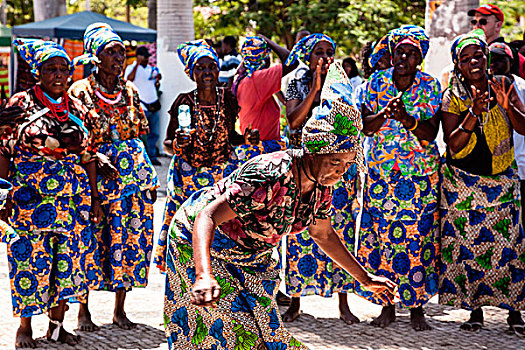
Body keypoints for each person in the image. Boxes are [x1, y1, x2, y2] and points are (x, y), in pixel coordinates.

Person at [162, 64, 397, 349]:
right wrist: (204, 274)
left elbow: (322, 234)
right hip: (202, 240)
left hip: (252, 254)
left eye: (347, 164)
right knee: (227, 330)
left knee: (268, 334)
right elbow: (207, 215)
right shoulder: (270, 173)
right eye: (335, 162)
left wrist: (365, 278)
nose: (340, 172)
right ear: (312, 151)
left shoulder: (321, 186)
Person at [0, 38, 103, 347]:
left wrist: (96, 199)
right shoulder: (21, 104)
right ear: (38, 72)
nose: (59, 75)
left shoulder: (79, 108)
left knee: (67, 265)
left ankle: (56, 326)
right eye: (51, 69)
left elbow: (89, 156)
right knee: (29, 264)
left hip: (73, 202)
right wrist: (2, 194)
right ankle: (24, 328)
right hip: (28, 202)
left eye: (64, 69)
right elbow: (3, 150)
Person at [70, 22, 159, 330]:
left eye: (122, 51)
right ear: (96, 56)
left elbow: (142, 138)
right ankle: (84, 311)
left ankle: (120, 309)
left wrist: (149, 180)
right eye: (112, 51)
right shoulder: (79, 92)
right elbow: (75, 142)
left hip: (134, 185)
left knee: (131, 241)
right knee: (92, 242)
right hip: (95, 181)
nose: (119, 58)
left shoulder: (131, 91)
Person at [439, 29, 525, 336]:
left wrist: (506, 106)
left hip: (502, 180)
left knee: (510, 247)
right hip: (463, 184)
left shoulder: (504, 83)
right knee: (470, 249)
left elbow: (523, 127)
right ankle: (475, 311)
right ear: (457, 64)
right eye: (466, 59)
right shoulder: (451, 96)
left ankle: (515, 314)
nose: (474, 62)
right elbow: (454, 144)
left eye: (479, 56)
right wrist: (473, 113)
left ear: (487, 59)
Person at [355, 25, 441, 331]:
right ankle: (387, 306)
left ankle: (418, 308)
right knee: (382, 240)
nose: (404, 57)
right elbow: (364, 127)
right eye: (399, 52)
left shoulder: (430, 85)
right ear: (391, 55)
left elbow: (430, 133)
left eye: (411, 53)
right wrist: (384, 116)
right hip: (381, 176)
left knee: (419, 239)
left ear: (420, 57)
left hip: (419, 177)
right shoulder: (373, 83)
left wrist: (406, 118)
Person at [153, 40, 259, 273]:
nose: (207, 72)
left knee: (224, 227)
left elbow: (231, 136)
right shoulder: (184, 102)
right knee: (188, 228)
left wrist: (246, 139)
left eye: (211, 66)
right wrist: (178, 144)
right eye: (200, 68)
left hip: (222, 174)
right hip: (189, 178)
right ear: (191, 73)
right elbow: (168, 144)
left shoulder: (228, 100)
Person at [282, 36, 361, 325]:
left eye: (330, 52)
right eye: (319, 52)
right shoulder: (294, 81)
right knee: (297, 234)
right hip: (304, 168)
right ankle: (295, 301)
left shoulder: (343, 82)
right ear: (307, 54)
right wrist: (315, 87)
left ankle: (343, 302)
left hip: (337, 170)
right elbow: (293, 120)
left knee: (337, 231)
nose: (325, 57)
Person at [489, 41, 525, 240]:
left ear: (510, 62)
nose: (494, 64)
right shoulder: (482, 85)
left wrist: (510, 106)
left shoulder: (521, 87)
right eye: (491, 59)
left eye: (500, 59)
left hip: (522, 162)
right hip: (500, 168)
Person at [233, 34, 296, 142]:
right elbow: (291, 62)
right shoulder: (257, 79)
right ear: (264, 58)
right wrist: (268, 41)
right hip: (263, 148)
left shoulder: (243, 77)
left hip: (254, 145)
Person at [124, 46, 162, 165]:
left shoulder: (151, 69)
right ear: (138, 56)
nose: (147, 59)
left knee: (154, 133)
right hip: (141, 106)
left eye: (147, 57)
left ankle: (152, 156)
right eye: (144, 57)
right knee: (141, 134)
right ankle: (141, 158)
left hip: (153, 105)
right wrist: (137, 64)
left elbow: (155, 82)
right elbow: (129, 79)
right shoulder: (131, 68)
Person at [468, 3, 520, 76]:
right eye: (474, 22)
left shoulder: (504, 50)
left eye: (483, 22)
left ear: (498, 25)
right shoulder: (475, 48)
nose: (477, 26)